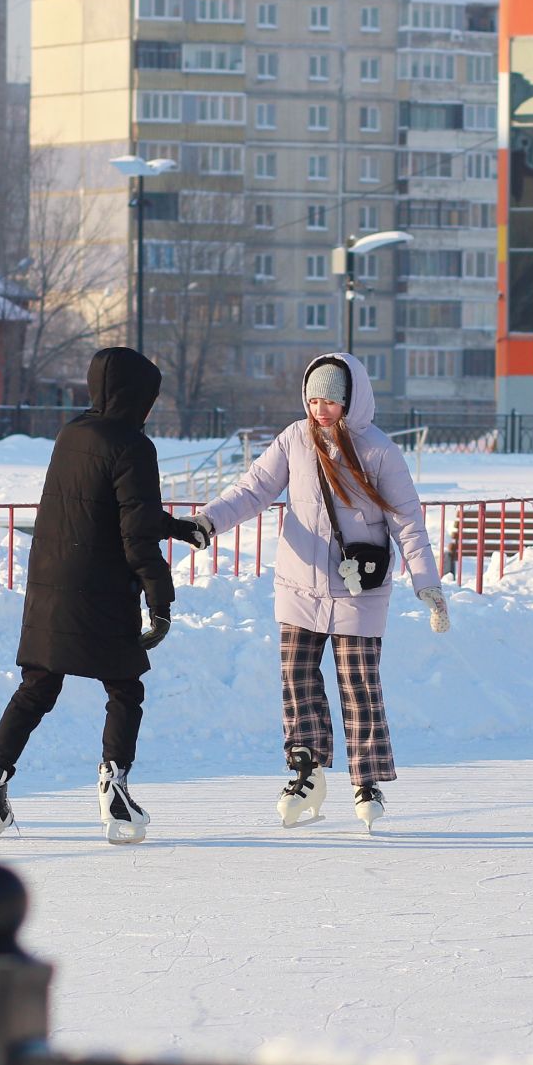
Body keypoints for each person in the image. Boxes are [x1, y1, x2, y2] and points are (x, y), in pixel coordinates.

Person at [181, 353, 449, 833]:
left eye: (330, 400)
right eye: (314, 398)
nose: (320, 409)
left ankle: (366, 781)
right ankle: (307, 771)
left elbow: (407, 519)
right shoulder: (294, 439)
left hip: (358, 590)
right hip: (299, 584)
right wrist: (209, 520)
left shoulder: (379, 450)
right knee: (297, 681)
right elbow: (254, 488)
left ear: (351, 400)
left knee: (359, 687)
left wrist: (427, 584)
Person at [0, 347, 198, 845]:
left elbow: (105, 507)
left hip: (50, 585)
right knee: (125, 688)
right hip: (103, 591)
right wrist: (161, 599)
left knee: (36, 689)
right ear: (137, 398)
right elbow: (134, 535)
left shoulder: (71, 434)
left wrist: (177, 527)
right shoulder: (134, 446)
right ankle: (115, 789)